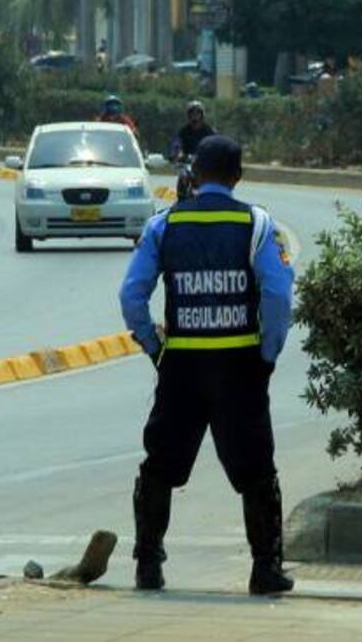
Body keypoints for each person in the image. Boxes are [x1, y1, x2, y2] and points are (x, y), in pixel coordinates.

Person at [119, 135, 295, 597]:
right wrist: (267, 354)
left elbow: (131, 296)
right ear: (238, 176)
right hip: (240, 368)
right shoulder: (257, 225)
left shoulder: (164, 225)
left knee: (160, 465)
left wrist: (155, 348)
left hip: (182, 369)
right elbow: (278, 297)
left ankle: (148, 567)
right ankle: (265, 570)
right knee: (256, 470)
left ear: (194, 175)